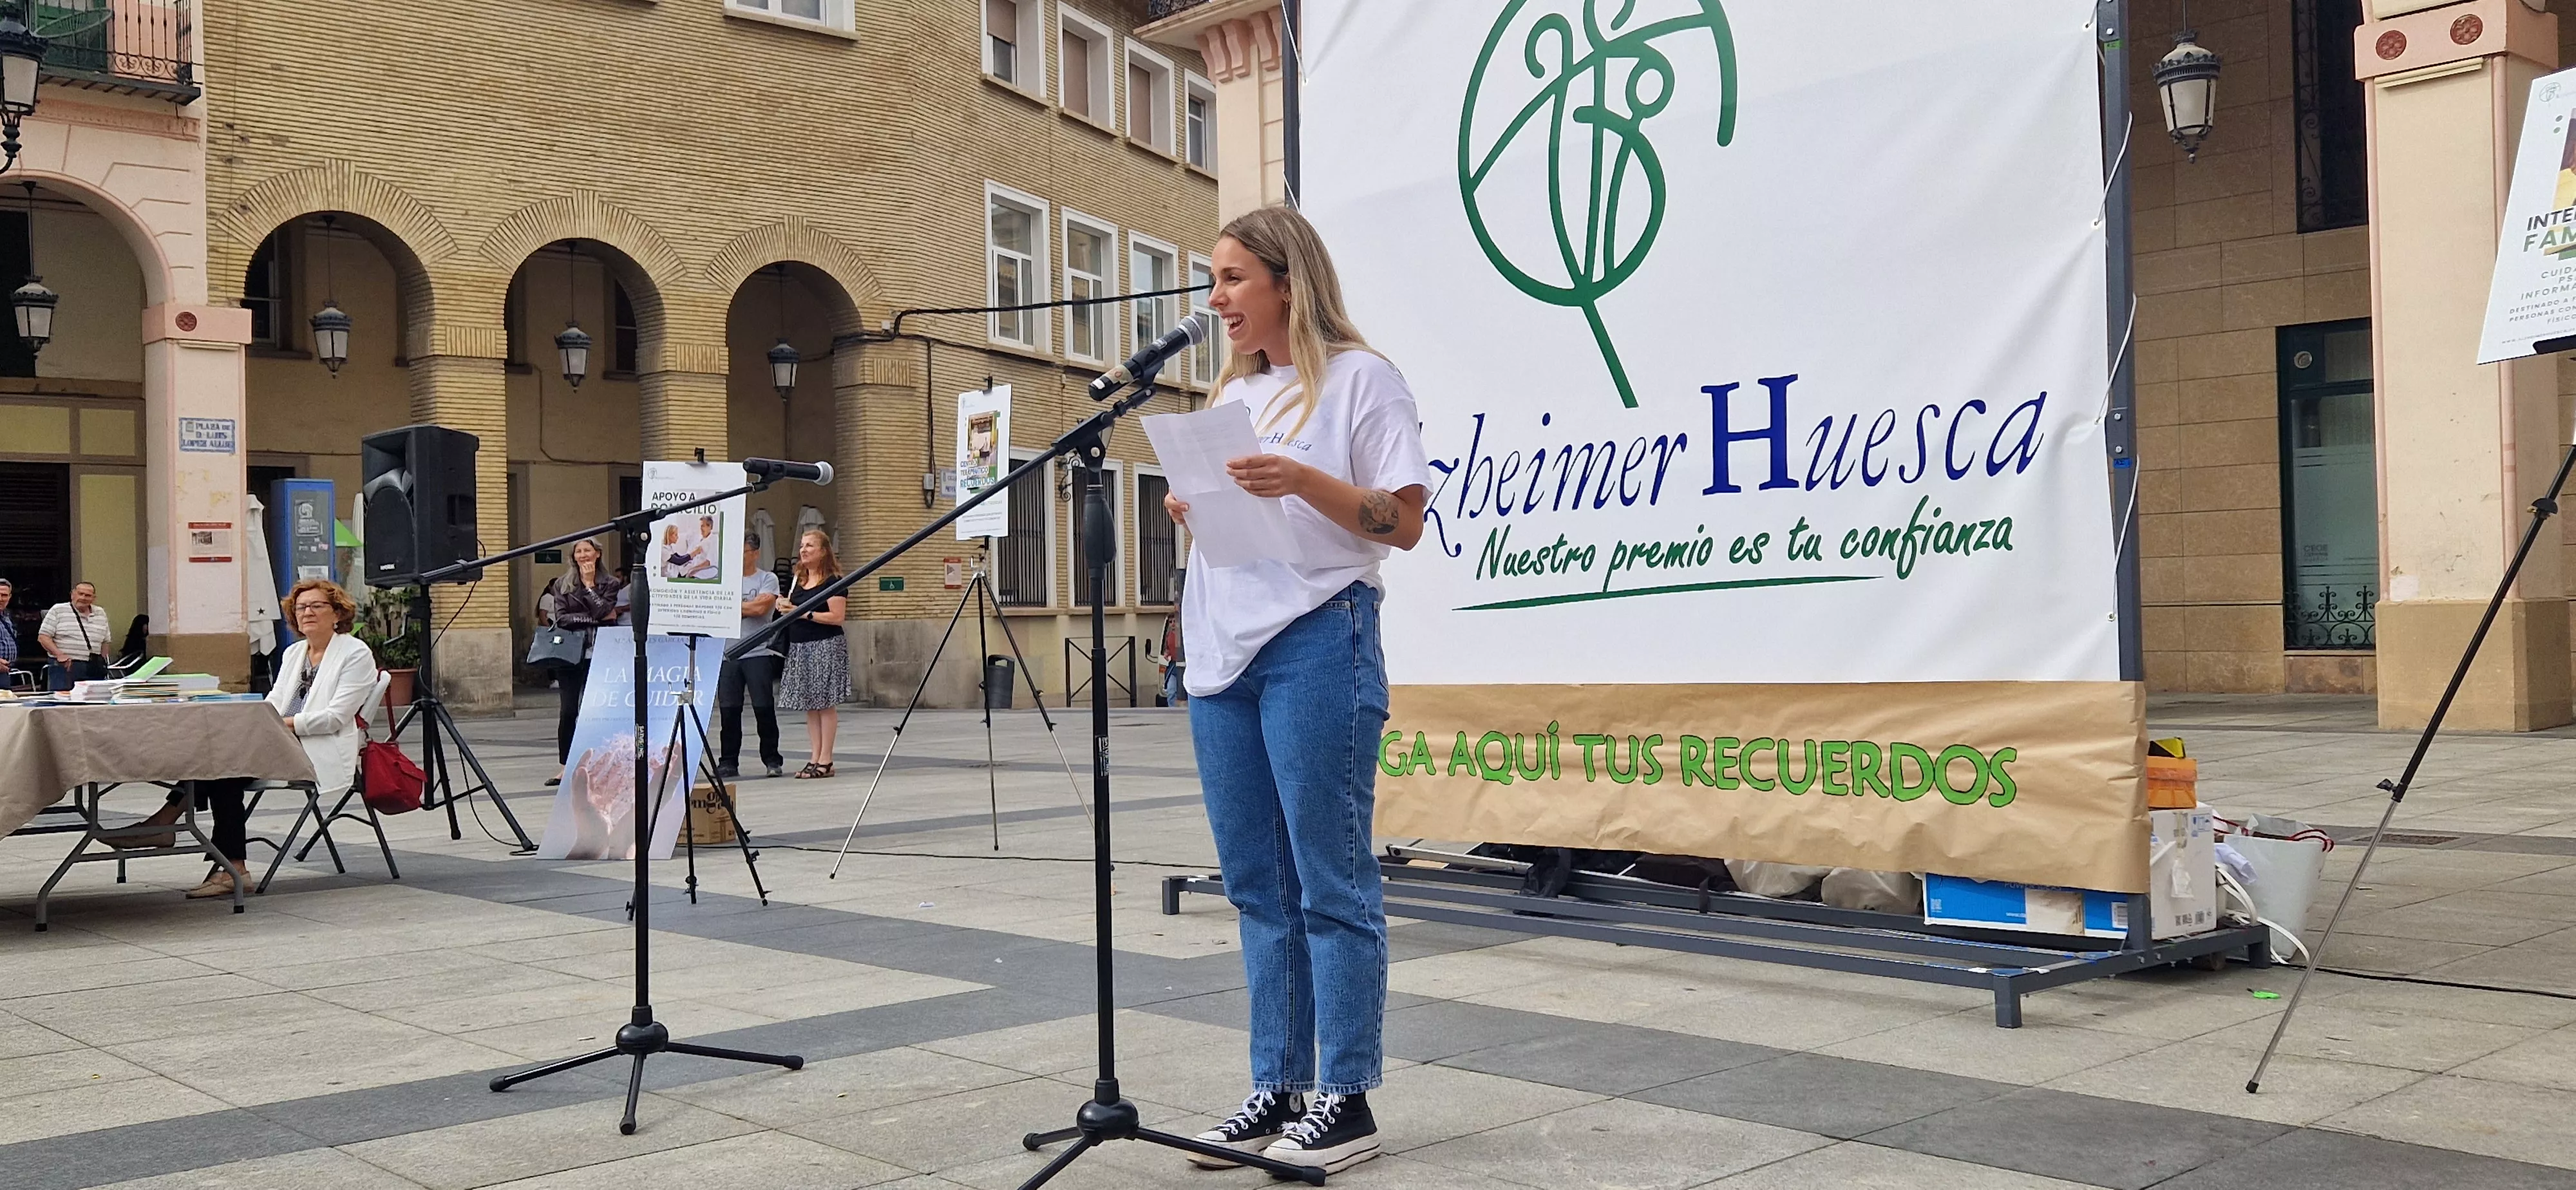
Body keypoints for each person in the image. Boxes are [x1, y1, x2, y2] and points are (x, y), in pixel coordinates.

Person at [1164, 205, 1431, 1175]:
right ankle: (1276, 1088)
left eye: (1233, 278)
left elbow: (1399, 523)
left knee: (1330, 880)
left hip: (1321, 641)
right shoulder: (1239, 393)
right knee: (1256, 888)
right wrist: (1202, 503)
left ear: (1287, 282)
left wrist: (1300, 479)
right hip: (1222, 655)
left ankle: (1346, 1096)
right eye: (1213, 279)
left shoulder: (1364, 381)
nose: (1216, 298)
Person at [124, 580, 380, 900]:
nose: (307, 613)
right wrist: (256, 720)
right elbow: (273, 701)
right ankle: (228, 864)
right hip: (276, 741)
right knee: (217, 757)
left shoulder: (354, 653)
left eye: (317, 606)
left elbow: (335, 718)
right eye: (300, 608)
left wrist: (274, 725)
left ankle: (182, 833)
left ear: (338, 614)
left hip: (316, 746)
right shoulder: (294, 653)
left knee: (224, 764)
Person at [539, 538, 625, 782]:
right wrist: (596, 618)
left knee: (597, 711)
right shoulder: (562, 584)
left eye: (588, 550)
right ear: (573, 556)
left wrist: (589, 587)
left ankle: (599, 763)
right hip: (569, 655)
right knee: (569, 711)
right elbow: (564, 619)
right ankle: (567, 765)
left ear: (597, 554)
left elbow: (606, 614)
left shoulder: (610, 583)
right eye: (579, 551)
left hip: (600, 654)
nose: (583, 555)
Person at [778, 528, 849, 779]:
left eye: (810, 546)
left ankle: (826, 760)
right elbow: (792, 606)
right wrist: (783, 605)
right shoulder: (798, 578)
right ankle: (815, 756)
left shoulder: (833, 582)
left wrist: (804, 613)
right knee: (810, 704)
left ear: (823, 551)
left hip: (825, 645)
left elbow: (837, 617)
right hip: (800, 646)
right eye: (802, 545)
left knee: (824, 703)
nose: (803, 550)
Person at [717, 533, 785, 779]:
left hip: (758, 651)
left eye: (743, 551)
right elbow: (715, 608)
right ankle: (728, 762)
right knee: (729, 710)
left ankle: (772, 759)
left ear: (755, 553)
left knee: (763, 707)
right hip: (727, 654)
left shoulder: (768, 579)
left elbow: (760, 608)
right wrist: (738, 608)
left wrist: (728, 606)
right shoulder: (723, 580)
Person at [37, 581, 111, 692]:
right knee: (63, 703)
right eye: (80, 594)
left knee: (94, 702)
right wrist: (59, 654)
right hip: (66, 666)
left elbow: (106, 641)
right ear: (72, 595)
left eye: (88, 595)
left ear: (94, 598)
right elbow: (43, 637)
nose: (83, 598)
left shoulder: (100, 613)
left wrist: (104, 663)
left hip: (93, 666)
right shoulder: (58, 610)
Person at [0, 578, 19, 685]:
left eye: (4, 595)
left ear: (10, 597)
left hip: (5, 672)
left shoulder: (7, 617)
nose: (1, 599)